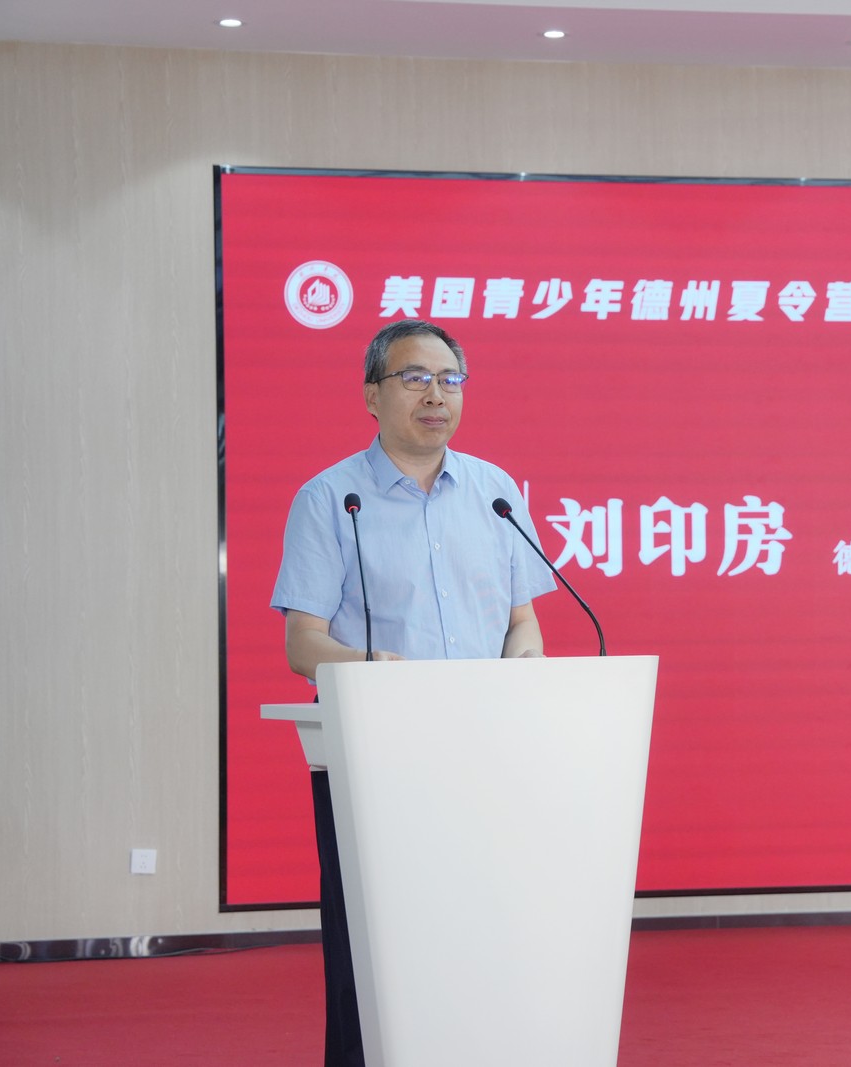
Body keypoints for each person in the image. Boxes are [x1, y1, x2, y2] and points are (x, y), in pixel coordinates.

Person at [270, 319, 555, 1067]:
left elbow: (521, 622)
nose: (437, 395)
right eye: (415, 378)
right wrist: (370, 665)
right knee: (376, 945)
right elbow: (303, 644)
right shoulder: (330, 499)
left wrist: (525, 666)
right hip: (376, 754)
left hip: (488, 749)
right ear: (372, 395)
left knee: (484, 931)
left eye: (450, 379)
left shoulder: (495, 492)